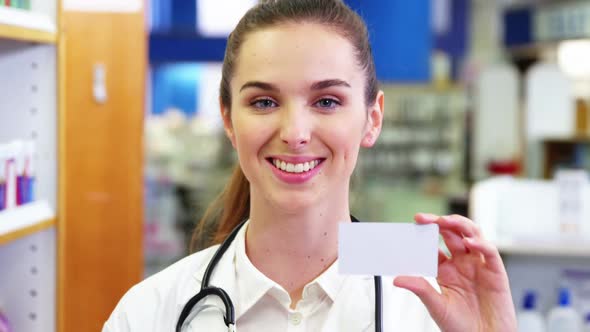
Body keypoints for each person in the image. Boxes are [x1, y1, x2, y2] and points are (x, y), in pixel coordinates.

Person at [103, 0, 517, 331]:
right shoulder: (150, 313)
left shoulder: (431, 307)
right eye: (264, 102)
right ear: (228, 120)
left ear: (372, 119)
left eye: (327, 101)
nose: (295, 132)